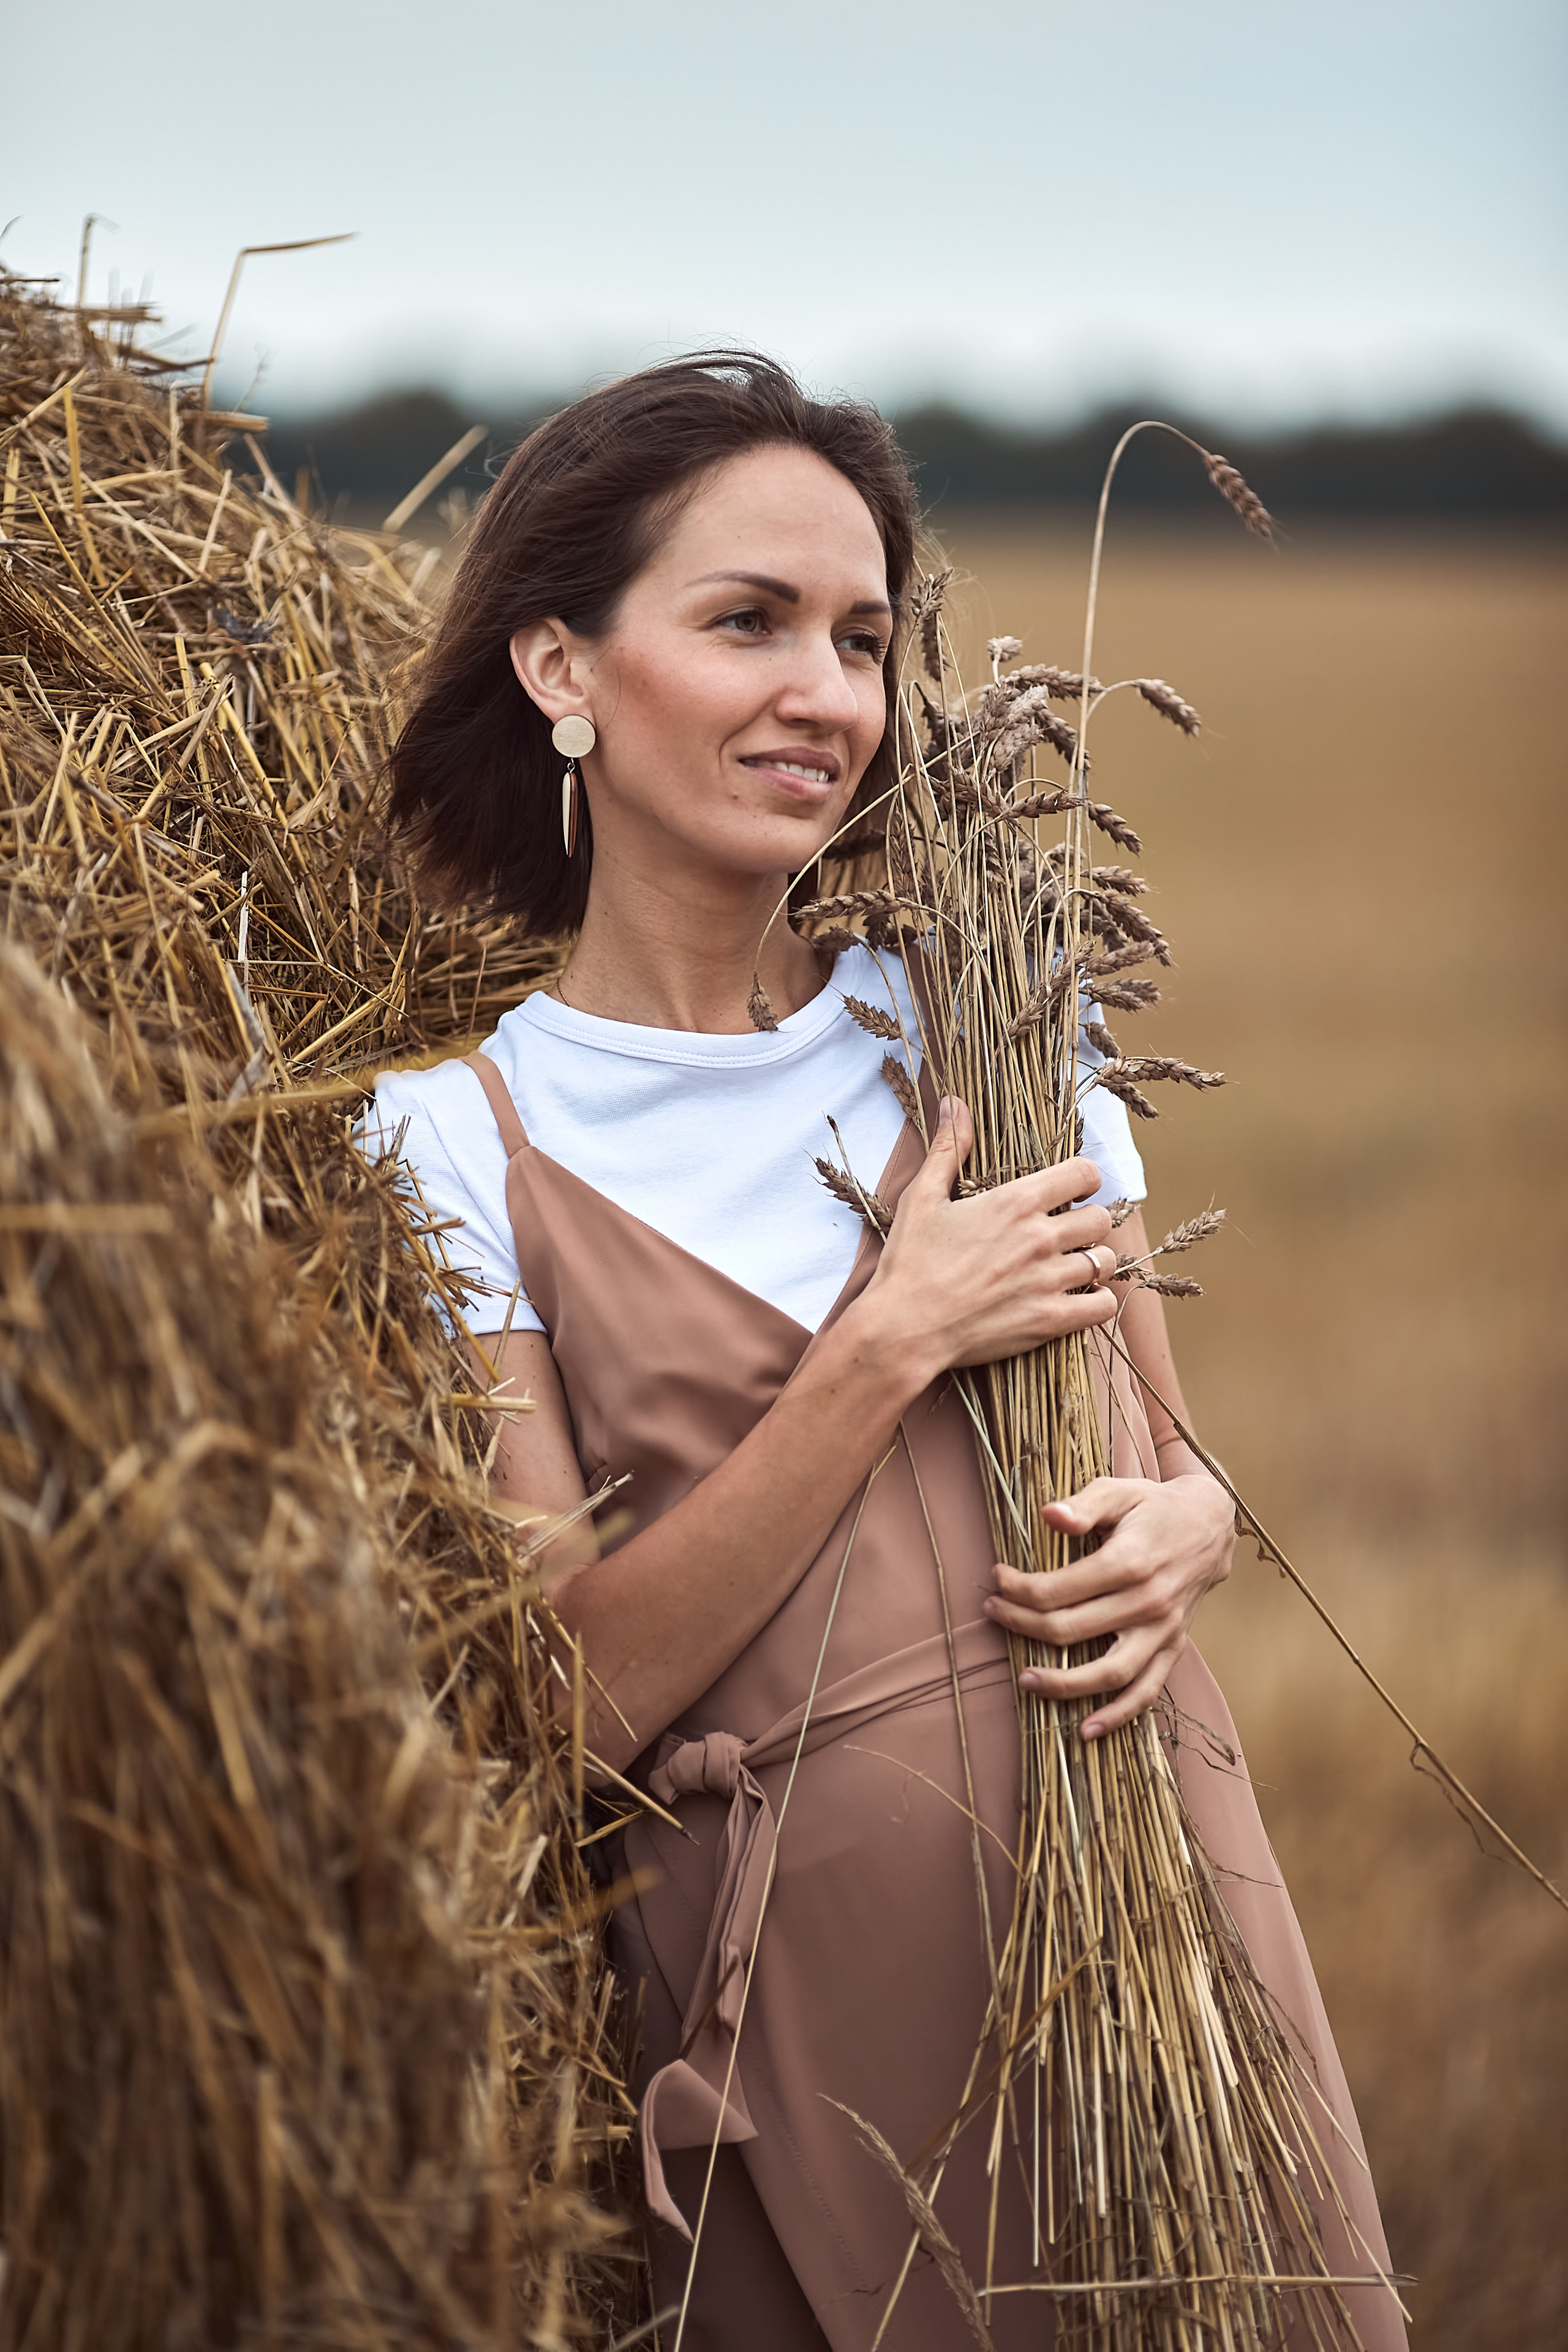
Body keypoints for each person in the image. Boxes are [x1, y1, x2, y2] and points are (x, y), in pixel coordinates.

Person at [369, 355, 1404, 2351]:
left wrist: (1191, 1528)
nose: (827, 694)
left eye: (860, 638)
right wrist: (883, 1346)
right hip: (802, 2031)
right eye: (746, 622)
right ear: (561, 668)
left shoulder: (996, 1029)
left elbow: (1176, 1473)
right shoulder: (456, 1142)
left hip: (1150, 1923)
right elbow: (563, 1700)